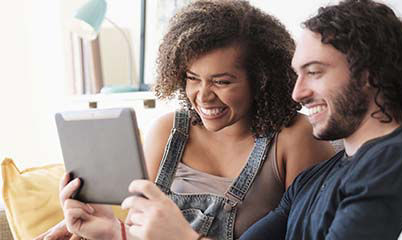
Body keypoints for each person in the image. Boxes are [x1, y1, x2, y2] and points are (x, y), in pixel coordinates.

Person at [47, 0, 402, 239]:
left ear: (369, 75)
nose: (297, 93)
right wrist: (114, 232)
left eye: (314, 72)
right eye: (297, 75)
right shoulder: (320, 177)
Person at [35, 0, 334, 240]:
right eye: (192, 78)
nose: (203, 96)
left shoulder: (295, 139)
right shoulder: (168, 131)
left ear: (261, 80)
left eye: (222, 82)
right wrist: (108, 230)